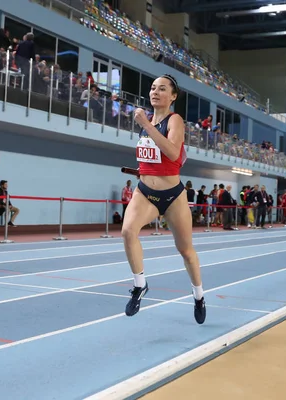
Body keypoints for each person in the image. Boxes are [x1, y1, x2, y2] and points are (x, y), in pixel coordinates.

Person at [121, 74, 206, 324]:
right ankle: (140, 285)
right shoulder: (145, 121)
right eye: (152, 88)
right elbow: (153, 156)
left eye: (162, 89)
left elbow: (172, 152)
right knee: (127, 232)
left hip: (173, 196)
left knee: (186, 251)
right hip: (145, 192)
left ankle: (199, 295)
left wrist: (146, 125)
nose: (155, 92)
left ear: (173, 96)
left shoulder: (175, 120)